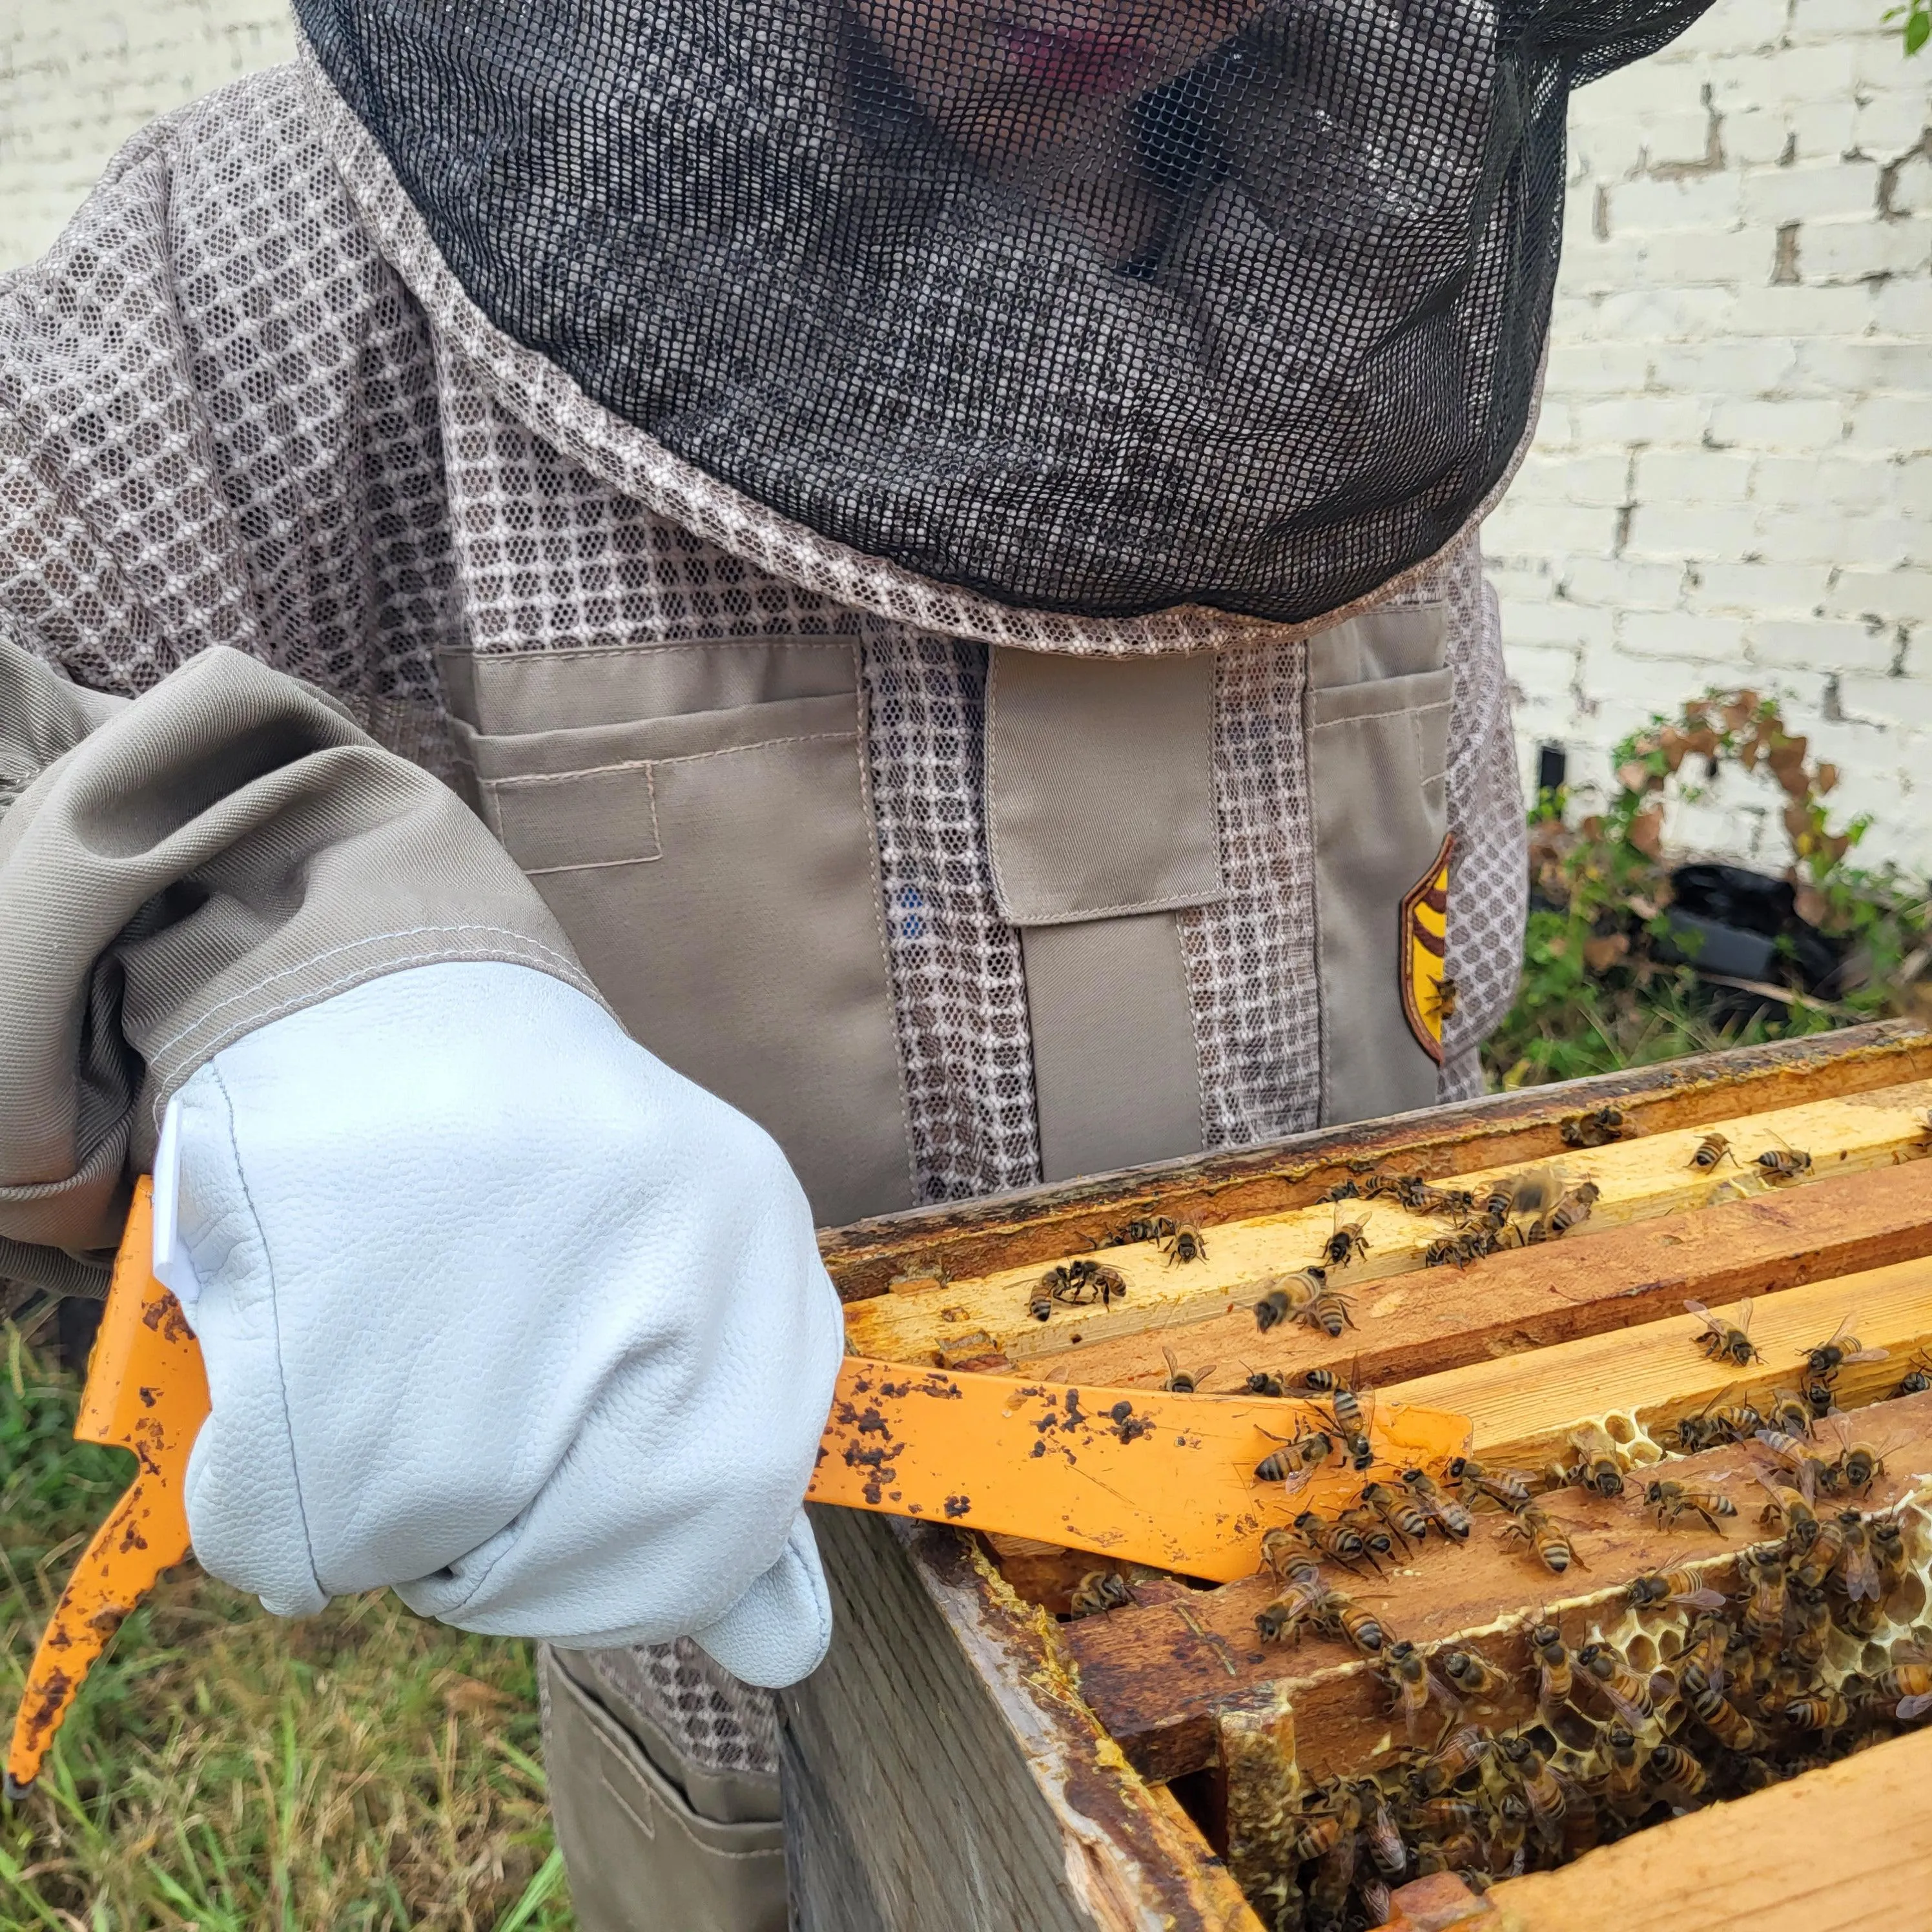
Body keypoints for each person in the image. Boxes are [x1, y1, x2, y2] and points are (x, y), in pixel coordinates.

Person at [0, 0, 1711, 1923]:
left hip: (1397, 1677)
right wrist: (281, 943)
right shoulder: (261, 258)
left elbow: (1430, 963)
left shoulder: (1357, 239)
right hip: (758, 1758)